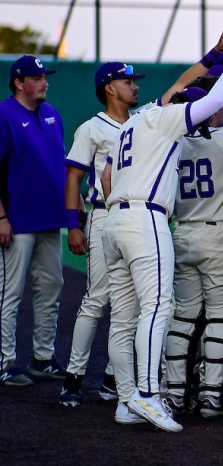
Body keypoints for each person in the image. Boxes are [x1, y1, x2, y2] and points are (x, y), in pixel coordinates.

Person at [101, 40, 223, 433]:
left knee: (123, 320)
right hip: (146, 218)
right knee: (157, 308)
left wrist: (213, 55)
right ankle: (149, 394)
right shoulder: (166, 120)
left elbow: (105, 177)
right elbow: (214, 98)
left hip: (115, 220)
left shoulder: (136, 120)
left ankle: (127, 400)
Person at [58, 61, 144, 407]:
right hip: (104, 215)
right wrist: (73, 226)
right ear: (110, 88)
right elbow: (73, 179)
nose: (134, 86)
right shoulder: (91, 128)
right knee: (96, 300)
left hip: (135, 218)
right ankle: (74, 377)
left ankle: (112, 377)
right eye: (127, 81)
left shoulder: (141, 122)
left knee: (133, 303)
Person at [161, 78, 223, 420]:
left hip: (181, 231)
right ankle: (211, 395)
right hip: (218, 234)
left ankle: (174, 393)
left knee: (182, 317)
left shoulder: (171, 143)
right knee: (219, 318)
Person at [0, 55, 66, 387]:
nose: (45, 82)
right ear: (19, 83)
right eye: (37, 78)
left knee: (51, 289)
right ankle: (4, 362)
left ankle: (42, 358)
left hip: (50, 219)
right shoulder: (4, 114)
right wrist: (1, 217)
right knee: (8, 294)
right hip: (17, 220)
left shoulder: (52, 113)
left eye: (44, 77)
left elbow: (59, 164)